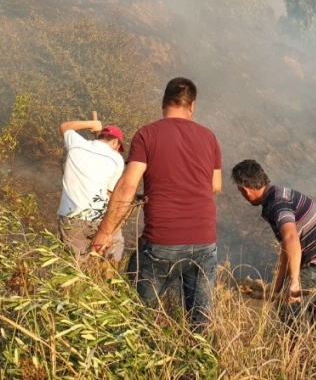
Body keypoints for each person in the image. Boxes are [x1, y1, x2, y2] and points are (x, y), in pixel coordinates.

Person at [90, 77, 222, 329]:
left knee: (139, 318)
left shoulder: (147, 135)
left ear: (163, 103)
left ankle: (140, 358)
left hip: (163, 241)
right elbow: (215, 185)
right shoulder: (209, 137)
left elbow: (127, 186)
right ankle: (197, 363)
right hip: (204, 241)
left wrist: (104, 233)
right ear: (192, 105)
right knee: (200, 322)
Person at [231, 159, 316, 337]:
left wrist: (294, 282)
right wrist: (276, 288)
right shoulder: (280, 194)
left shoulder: (277, 204)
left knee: (287, 311)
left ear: (246, 188)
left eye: (241, 191)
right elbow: (287, 249)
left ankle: (291, 358)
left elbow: (291, 238)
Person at [57, 120, 125, 264]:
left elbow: (64, 127)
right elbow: (111, 195)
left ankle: (77, 283)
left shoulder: (76, 144)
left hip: (71, 218)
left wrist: (92, 124)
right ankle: (108, 277)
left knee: (75, 265)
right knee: (114, 250)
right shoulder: (117, 159)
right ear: (115, 142)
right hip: (99, 217)